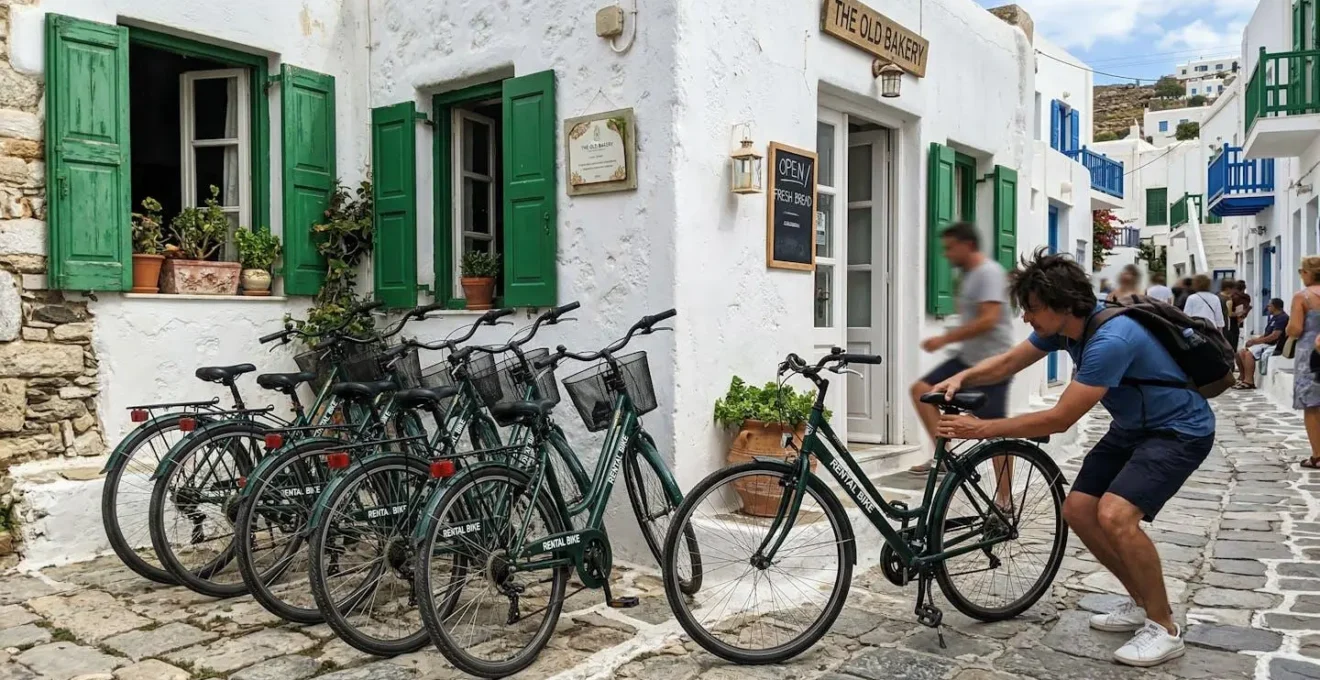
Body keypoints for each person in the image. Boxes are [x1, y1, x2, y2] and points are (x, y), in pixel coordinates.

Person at [934, 249, 1214, 668]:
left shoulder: (1110, 340)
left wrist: (980, 430)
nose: (1026, 317)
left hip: (1178, 430)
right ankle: (1140, 600)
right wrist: (963, 376)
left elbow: (1060, 418)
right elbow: (1011, 360)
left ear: (1062, 304)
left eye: (1031, 308)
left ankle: (1164, 626)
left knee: (1116, 516)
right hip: (1132, 427)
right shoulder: (1065, 329)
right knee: (1079, 510)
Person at [908, 222, 1015, 489]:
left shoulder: (989, 273)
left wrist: (944, 339)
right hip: (967, 360)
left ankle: (1005, 501)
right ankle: (944, 457)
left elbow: (988, 320)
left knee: (995, 429)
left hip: (993, 363)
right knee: (921, 390)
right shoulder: (969, 276)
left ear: (967, 246)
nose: (946, 255)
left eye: (950, 248)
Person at [1289, 257, 1320, 469]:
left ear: (1308, 273)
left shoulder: (1303, 297)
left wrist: (1288, 331)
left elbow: (1296, 329)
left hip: (1310, 357)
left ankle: (1317, 455)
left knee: (1312, 406)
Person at [1234, 298, 1288, 390]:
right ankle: (1243, 378)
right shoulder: (1273, 317)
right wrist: (1255, 340)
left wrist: (1255, 342)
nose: (1267, 307)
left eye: (1269, 305)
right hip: (1266, 343)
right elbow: (1267, 334)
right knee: (1240, 353)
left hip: (1274, 345)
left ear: (1275, 307)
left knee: (1248, 354)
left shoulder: (1282, 318)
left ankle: (1249, 381)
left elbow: (1274, 336)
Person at [1220, 279, 1241, 350]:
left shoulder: (1217, 296)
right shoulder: (1228, 299)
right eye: (1233, 289)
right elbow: (1230, 314)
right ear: (1228, 289)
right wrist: (1240, 312)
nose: (1234, 291)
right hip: (1228, 327)